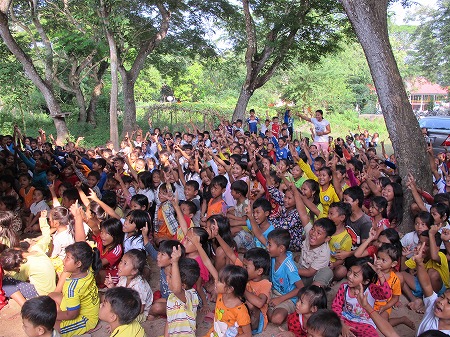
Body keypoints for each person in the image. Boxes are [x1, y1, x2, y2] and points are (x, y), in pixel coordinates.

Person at [331, 257, 392, 337]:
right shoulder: (344, 287)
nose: (349, 276)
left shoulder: (371, 289)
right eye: (350, 271)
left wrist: (379, 273)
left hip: (364, 323)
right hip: (344, 319)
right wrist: (342, 325)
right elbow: (336, 307)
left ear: (365, 281)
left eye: (355, 275)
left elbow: (386, 294)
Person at [49, 242, 100, 337]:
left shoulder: (72, 288)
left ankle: (84, 330)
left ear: (78, 264)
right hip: (81, 306)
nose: (63, 261)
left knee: (49, 324)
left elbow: (72, 315)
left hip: (86, 319)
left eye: (67, 258)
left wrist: (52, 316)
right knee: (51, 296)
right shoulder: (88, 269)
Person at [104, 249, 153, 322]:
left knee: (121, 319)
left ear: (134, 271)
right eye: (121, 261)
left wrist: (124, 311)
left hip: (139, 313)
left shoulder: (139, 286)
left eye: (125, 263)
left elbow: (140, 310)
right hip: (129, 304)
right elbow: (120, 292)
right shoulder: (123, 278)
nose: (120, 265)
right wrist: (112, 287)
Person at [165, 246, 200, 337]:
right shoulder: (172, 296)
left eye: (170, 277)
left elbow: (177, 289)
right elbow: (169, 320)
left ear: (183, 285)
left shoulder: (190, 295)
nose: (167, 279)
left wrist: (175, 263)